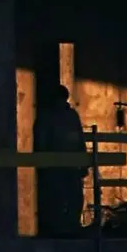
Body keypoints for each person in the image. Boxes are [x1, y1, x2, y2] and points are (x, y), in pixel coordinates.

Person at [33, 83, 88, 237]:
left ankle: (71, 226)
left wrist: (83, 163)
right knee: (57, 197)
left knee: (74, 196)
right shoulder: (49, 117)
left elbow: (79, 139)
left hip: (69, 165)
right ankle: (58, 228)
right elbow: (41, 142)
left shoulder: (70, 116)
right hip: (55, 166)